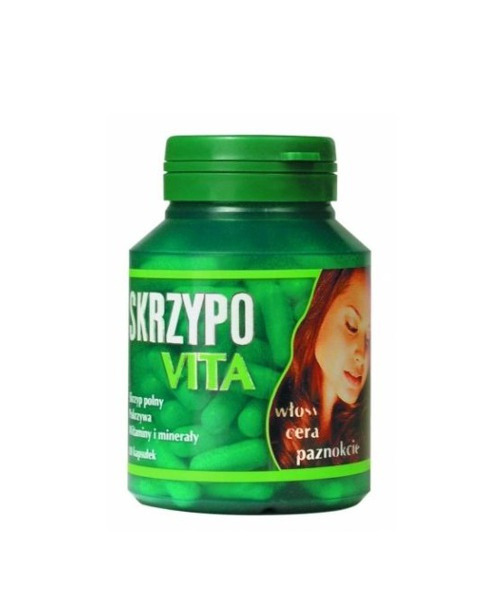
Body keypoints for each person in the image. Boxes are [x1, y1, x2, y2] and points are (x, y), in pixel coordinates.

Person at [269, 268, 370, 468]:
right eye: (351, 326)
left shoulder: (361, 429)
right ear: (320, 309)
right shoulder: (278, 409)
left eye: (370, 339)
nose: (362, 354)